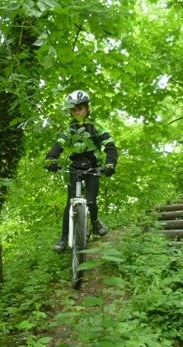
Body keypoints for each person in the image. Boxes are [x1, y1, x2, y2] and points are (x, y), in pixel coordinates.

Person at [45, 90, 118, 252]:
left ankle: (95, 221)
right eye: (73, 109)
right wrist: (51, 159)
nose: (76, 111)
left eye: (80, 108)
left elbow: (110, 146)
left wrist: (110, 164)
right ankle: (64, 238)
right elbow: (59, 145)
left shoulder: (97, 128)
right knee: (70, 203)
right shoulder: (69, 130)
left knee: (91, 201)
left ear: (87, 108)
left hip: (93, 168)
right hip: (75, 169)